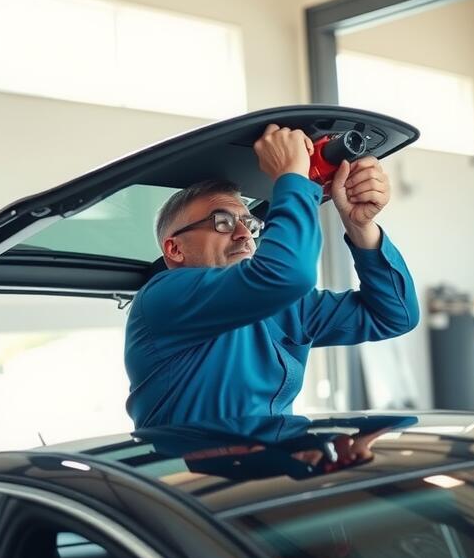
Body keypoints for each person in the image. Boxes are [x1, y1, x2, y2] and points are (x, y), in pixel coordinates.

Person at [124, 124, 419, 428]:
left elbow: (394, 315)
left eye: (250, 224)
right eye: (222, 222)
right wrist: (291, 177)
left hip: (274, 469)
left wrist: (360, 225)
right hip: (190, 475)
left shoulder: (286, 306)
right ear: (174, 249)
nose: (244, 235)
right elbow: (287, 275)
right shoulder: (164, 297)